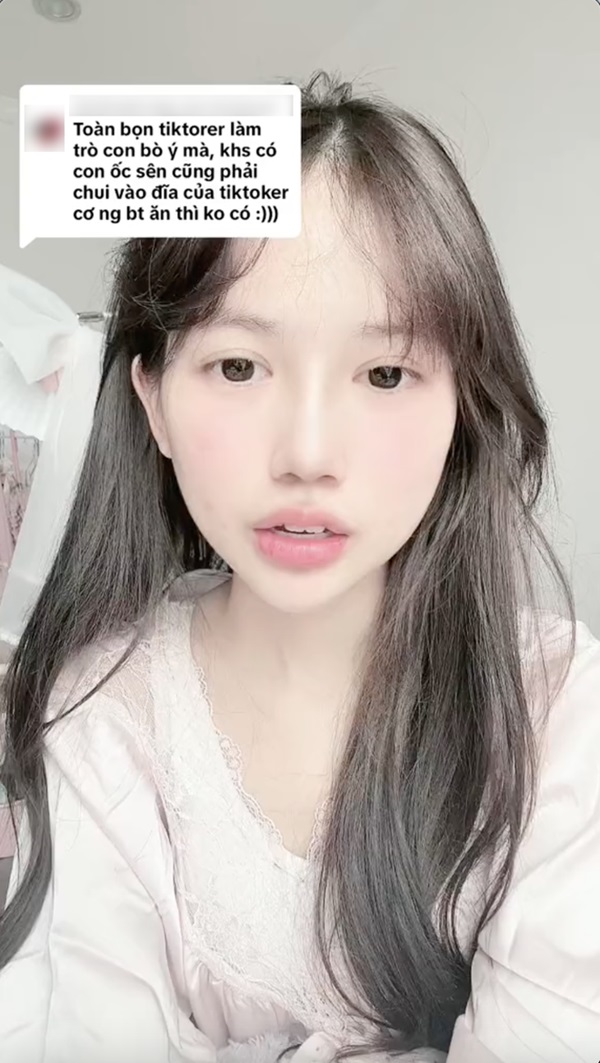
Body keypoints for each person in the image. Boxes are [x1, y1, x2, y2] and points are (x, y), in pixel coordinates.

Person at [0, 70, 598, 1063]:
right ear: (152, 399)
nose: (309, 453)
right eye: (238, 366)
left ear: (462, 403)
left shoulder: (557, 709)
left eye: (385, 372)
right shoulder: (100, 716)